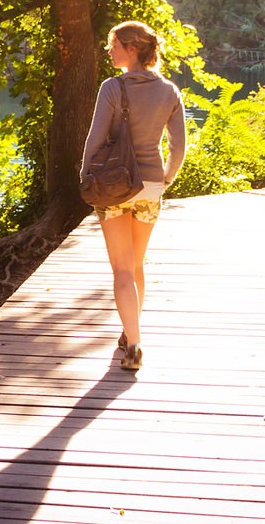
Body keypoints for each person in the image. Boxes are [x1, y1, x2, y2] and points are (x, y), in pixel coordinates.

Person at [81, 20, 187, 372]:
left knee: (122, 270)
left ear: (131, 48)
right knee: (137, 265)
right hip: (151, 188)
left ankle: (135, 345)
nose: (109, 51)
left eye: (113, 45)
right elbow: (178, 147)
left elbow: (95, 140)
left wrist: (85, 176)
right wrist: (165, 179)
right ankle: (130, 334)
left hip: (114, 187)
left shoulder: (112, 88)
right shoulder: (170, 91)